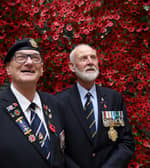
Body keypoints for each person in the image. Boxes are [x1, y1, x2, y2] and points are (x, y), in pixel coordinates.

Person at [55, 44, 135, 168]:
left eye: (93, 57)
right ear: (72, 66)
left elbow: (125, 142)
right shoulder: (59, 102)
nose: (90, 62)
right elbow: (57, 147)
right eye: (83, 58)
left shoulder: (114, 98)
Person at [0, 38, 65, 168]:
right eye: (21, 57)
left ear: (41, 69)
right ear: (8, 69)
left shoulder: (55, 104)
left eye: (35, 58)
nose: (29, 62)